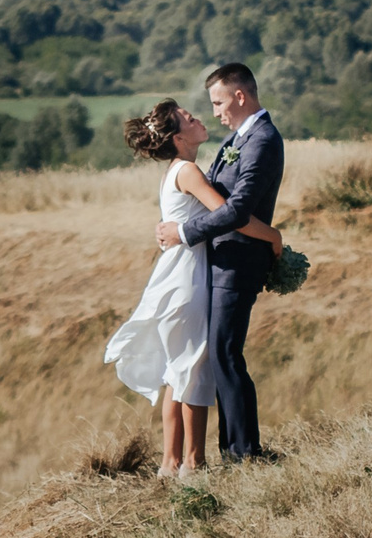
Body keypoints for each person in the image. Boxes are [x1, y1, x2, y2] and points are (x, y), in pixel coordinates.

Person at [103, 97, 283, 478]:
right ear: (178, 136)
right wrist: (273, 235)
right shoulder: (187, 172)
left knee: (176, 372)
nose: (198, 117)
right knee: (191, 370)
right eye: (187, 117)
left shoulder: (177, 169)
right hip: (187, 279)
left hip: (177, 273)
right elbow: (231, 216)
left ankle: (171, 464)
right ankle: (193, 463)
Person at [154, 63, 284, 461]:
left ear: (240, 96)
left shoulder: (261, 139)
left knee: (226, 353)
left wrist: (185, 232)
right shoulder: (239, 138)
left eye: (218, 101)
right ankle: (234, 450)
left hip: (238, 261)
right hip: (221, 260)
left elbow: (239, 210)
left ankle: (244, 452)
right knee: (221, 355)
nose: (214, 112)